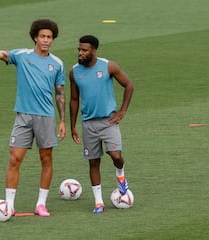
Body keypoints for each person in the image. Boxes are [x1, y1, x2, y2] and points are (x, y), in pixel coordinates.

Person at [0, 19, 66, 217]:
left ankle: (41, 204)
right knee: (15, 159)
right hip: (23, 117)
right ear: (35, 37)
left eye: (49, 37)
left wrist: (62, 120)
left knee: (46, 159)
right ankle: (9, 205)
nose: (46, 40)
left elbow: (59, 93)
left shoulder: (57, 64)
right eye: (42, 36)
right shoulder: (22, 56)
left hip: (46, 118)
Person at [69, 35, 134, 214]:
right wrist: (72, 125)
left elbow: (129, 84)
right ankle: (98, 202)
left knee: (116, 155)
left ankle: (121, 177)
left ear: (94, 51)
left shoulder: (108, 66)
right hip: (88, 124)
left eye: (84, 50)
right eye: (79, 49)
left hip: (108, 121)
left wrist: (122, 111)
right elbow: (74, 99)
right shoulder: (74, 71)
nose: (80, 53)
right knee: (93, 162)